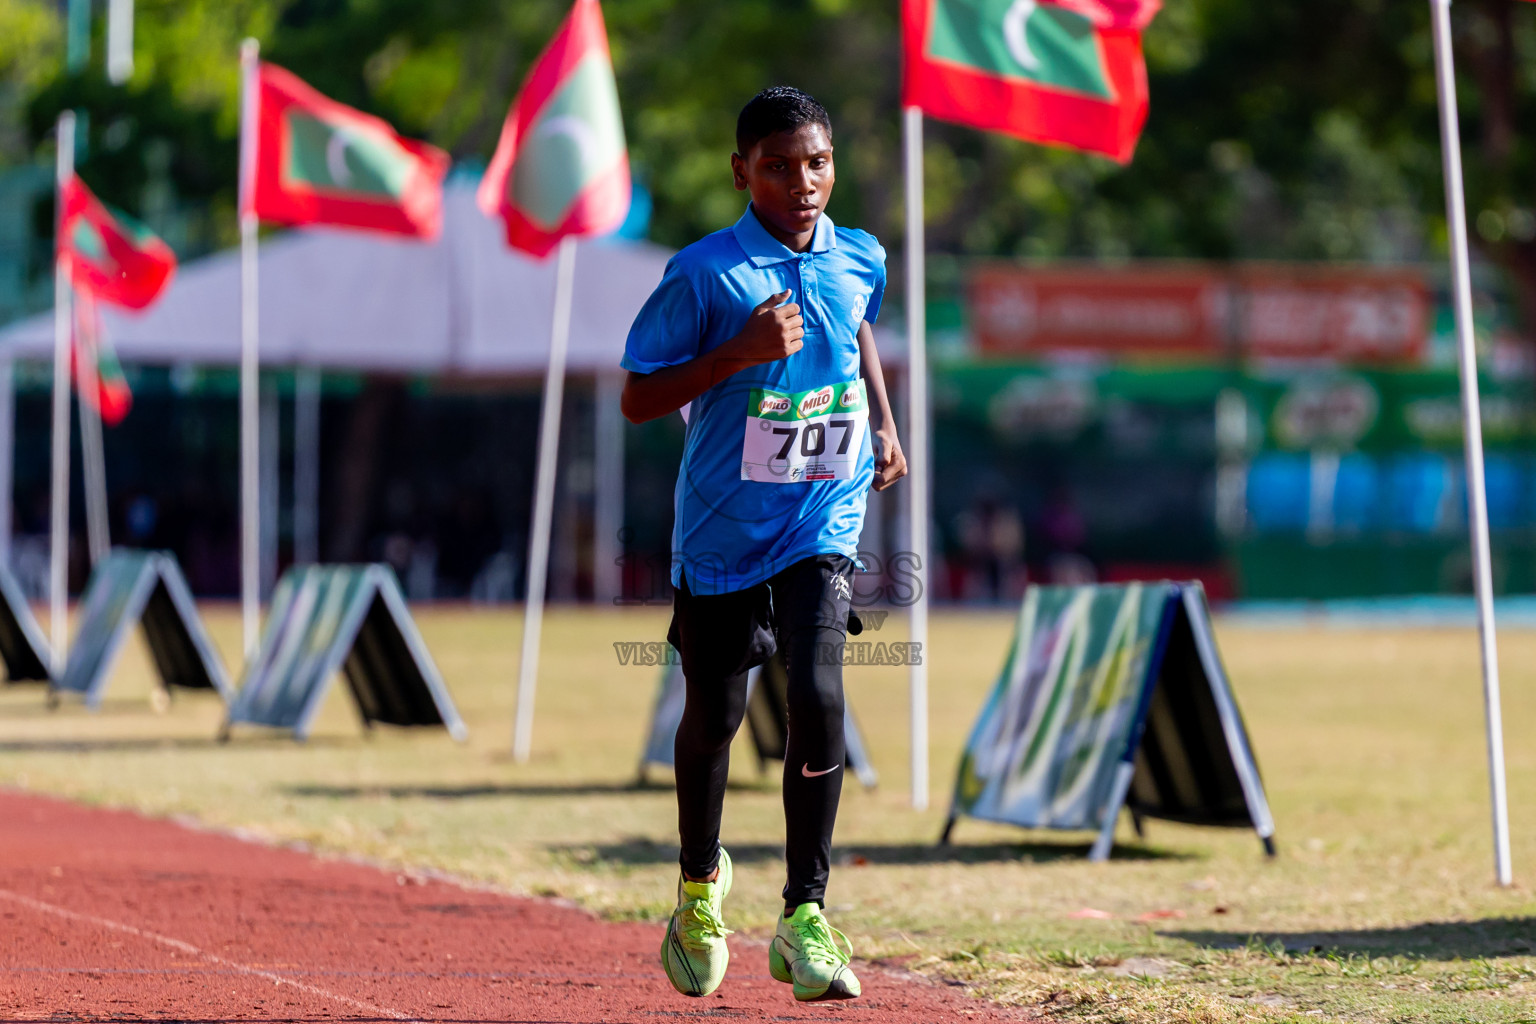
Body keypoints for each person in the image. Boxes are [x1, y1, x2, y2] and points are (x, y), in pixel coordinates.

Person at [620, 86, 906, 1002]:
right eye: (779, 167)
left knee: (819, 697)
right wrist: (736, 354)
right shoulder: (705, 272)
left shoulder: (862, 254)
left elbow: (856, 325)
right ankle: (699, 886)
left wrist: (884, 421)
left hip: (823, 514)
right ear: (742, 171)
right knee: (715, 717)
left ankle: (804, 914)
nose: (802, 182)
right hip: (723, 529)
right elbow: (638, 396)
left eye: (816, 163)